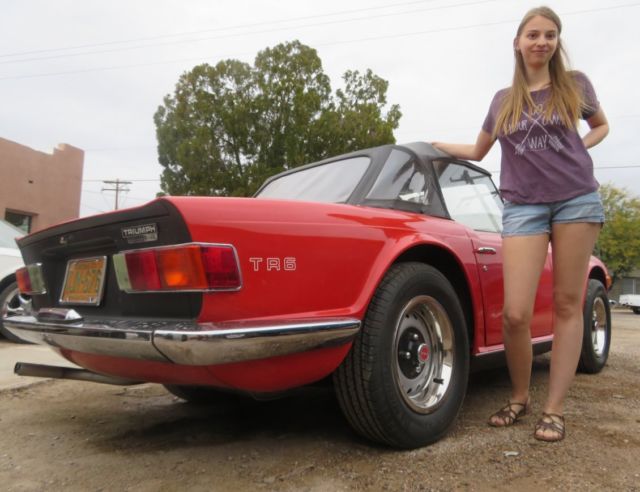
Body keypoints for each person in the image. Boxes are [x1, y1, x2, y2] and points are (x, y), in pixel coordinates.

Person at [432, 6, 609, 442]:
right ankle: (519, 397)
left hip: (576, 201)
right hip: (523, 207)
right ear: (518, 42)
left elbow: (601, 126)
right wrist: (434, 145)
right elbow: (477, 151)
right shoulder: (503, 100)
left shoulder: (575, 85)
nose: (542, 42)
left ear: (556, 43)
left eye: (550, 35)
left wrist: (581, 148)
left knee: (568, 304)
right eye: (533, 34)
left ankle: (554, 408)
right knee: (515, 314)